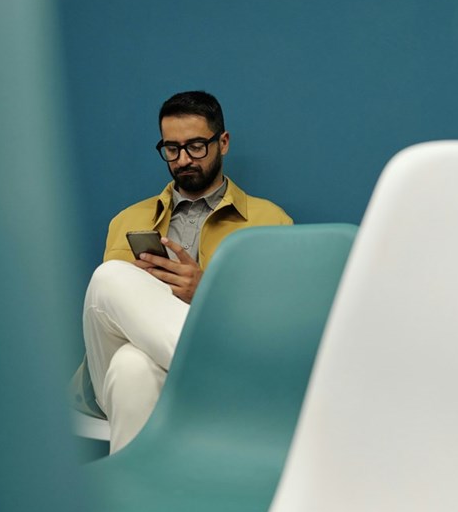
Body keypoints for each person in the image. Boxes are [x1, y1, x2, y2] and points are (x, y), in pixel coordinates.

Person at [70, 91, 292, 453]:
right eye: (171, 149)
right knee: (109, 279)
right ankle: (230, 382)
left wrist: (206, 293)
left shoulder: (270, 221)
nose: (183, 159)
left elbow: (279, 323)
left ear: (223, 142)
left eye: (196, 146)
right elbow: (110, 326)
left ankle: (139, 492)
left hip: (155, 378)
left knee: (131, 369)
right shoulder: (127, 221)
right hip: (136, 379)